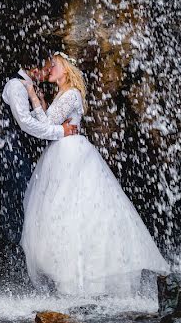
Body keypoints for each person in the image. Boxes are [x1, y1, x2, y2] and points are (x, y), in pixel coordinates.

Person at [19, 51, 169, 295]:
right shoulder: (61, 94)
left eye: (53, 65)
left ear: (66, 69)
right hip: (61, 151)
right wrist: (39, 101)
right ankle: (71, 278)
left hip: (70, 153)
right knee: (63, 213)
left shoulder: (71, 94)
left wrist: (33, 95)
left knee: (76, 213)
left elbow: (45, 126)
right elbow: (48, 122)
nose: (49, 69)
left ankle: (83, 280)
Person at [0, 62, 79, 250]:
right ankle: (16, 257)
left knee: (31, 202)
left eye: (53, 67)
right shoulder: (16, 85)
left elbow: (39, 121)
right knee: (19, 203)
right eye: (47, 68)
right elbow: (26, 123)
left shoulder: (31, 87)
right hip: (13, 153)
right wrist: (60, 130)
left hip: (26, 152)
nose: (49, 72)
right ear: (35, 68)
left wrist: (38, 101)